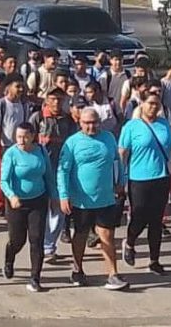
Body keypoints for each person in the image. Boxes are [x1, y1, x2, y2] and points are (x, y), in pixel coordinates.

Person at [58, 108, 129, 291]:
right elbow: (63, 171)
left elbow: (117, 161)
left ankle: (113, 274)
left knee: (107, 235)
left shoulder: (109, 138)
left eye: (94, 122)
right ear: (80, 123)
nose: (91, 126)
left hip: (105, 198)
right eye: (87, 123)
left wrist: (121, 182)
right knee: (80, 235)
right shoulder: (72, 143)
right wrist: (64, 195)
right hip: (81, 200)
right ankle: (77, 269)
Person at [119, 93, 171, 275]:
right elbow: (122, 153)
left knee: (156, 221)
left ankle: (154, 260)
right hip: (138, 178)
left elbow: (170, 148)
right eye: (150, 103)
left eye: (157, 104)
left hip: (161, 177)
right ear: (142, 104)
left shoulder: (164, 124)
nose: (153, 107)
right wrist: (120, 178)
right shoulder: (131, 126)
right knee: (139, 215)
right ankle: (130, 241)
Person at [0, 122, 58, 292]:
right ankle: (9, 259)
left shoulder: (40, 152)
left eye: (25, 136)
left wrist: (54, 197)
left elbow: (49, 176)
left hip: (38, 200)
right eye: (18, 137)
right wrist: (11, 196)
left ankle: (35, 277)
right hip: (17, 203)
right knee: (18, 240)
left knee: (37, 238)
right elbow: (4, 180)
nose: (22, 140)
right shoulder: (11, 153)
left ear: (33, 136)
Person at [29, 88, 77, 261]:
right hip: (40, 171)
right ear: (47, 100)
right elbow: (27, 142)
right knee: (40, 210)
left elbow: (74, 144)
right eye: (53, 99)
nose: (56, 102)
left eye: (60, 99)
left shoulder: (68, 121)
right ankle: (38, 244)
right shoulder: (38, 118)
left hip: (60, 171)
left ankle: (49, 247)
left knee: (58, 208)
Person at [0, 77, 30, 217]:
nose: (20, 90)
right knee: (2, 175)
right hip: (4, 145)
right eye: (17, 86)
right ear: (9, 87)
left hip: (20, 146)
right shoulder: (1, 104)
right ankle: (0, 204)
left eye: (21, 87)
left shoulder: (24, 105)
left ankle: (15, 200)